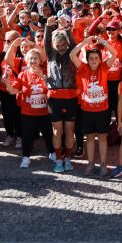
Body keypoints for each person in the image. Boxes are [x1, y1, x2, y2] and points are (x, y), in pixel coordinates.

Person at [71, 35, 118, 176]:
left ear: (100, 59)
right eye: (91, 58)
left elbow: (114, 53)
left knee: (102, 137)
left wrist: (103, 42)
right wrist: (84, 42)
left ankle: (103, 164)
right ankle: (91, 164)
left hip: (103, 110)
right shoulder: (83, 68)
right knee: (90, 138)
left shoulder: (104, 67)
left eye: (96, 58)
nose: (93, 61)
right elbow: (72, 54)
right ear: (87, 59)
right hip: (87, 110)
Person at [12, 48, 56, 169]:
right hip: (27, 112)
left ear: (40, 60)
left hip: (43, 112)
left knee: (48, 134)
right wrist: (6, 81)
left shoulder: (46, 72)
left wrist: (42, 76)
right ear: (27, 60)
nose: (33, 60)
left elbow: (51, 88)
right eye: (30, 58)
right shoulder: (23, 74)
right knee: (27, 136)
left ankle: (52, 153)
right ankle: (26, 157)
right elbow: (13, 90)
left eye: (35, 58)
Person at [43, 20, 78, 172]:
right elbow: (46, 42)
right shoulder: (51, 54)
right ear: (54, 45)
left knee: (70, 130)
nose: (62, 48)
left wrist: (68, 29)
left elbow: (74, 45)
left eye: (64, 45)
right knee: (57, 131)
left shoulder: (71, 54)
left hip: (70, 95)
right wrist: (48, 26)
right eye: (59, 46)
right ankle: (58, 160)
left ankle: (68, 159)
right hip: (54, 96)